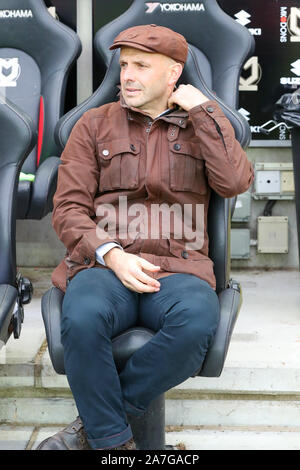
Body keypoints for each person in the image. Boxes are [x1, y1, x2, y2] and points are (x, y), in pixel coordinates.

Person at [37, 24, 254, 450]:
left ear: (174, 73)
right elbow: (67, 210)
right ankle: (115, 445)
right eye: (123, 66)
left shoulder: (202, 123)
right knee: (81, 319)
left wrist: (205, 112)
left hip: (179, 267)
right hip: (105, 263)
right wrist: (111, 254)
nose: (127, 76)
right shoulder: (94, 124)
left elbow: (233, 182)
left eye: (141, 66)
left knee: (195, 324)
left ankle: (93, 430)